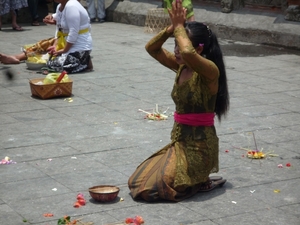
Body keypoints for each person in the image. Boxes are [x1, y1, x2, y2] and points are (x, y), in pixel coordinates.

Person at [128, 0, 229, 202]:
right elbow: (152, 48)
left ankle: (201, 179)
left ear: (199, 50)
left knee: (153, 188)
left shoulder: (210, 72)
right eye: (174, 44)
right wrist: (171, 29)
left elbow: (187, 52)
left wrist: (181, 27)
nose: (175, 49)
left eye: (178, 43)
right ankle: (197, 179)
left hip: (200, 149)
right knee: (139, 180)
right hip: (180, 143)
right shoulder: (182, 67)